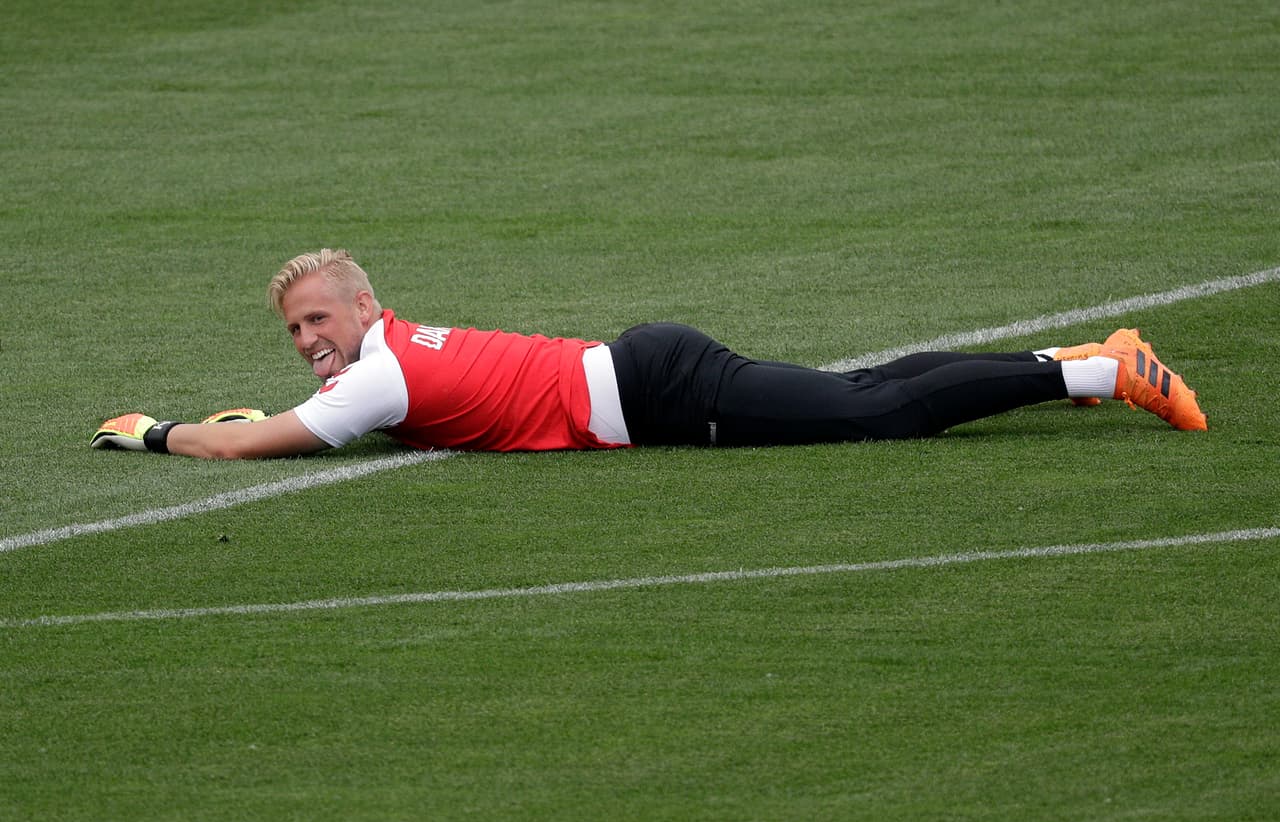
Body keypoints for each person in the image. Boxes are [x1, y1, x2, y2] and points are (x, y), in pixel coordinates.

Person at [91, 249, 1208, 458]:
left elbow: (257, 448)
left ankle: (1100, 371)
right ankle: (1070, 360)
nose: (305, 344)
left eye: (316, 323)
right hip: (646, 374)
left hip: (660, 392)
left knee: (878, 415)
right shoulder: (383, 359)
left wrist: (160, 434)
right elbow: (300, 423)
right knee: (860, 395)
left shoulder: (375, 378)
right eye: (293, 332)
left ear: (364, 308)